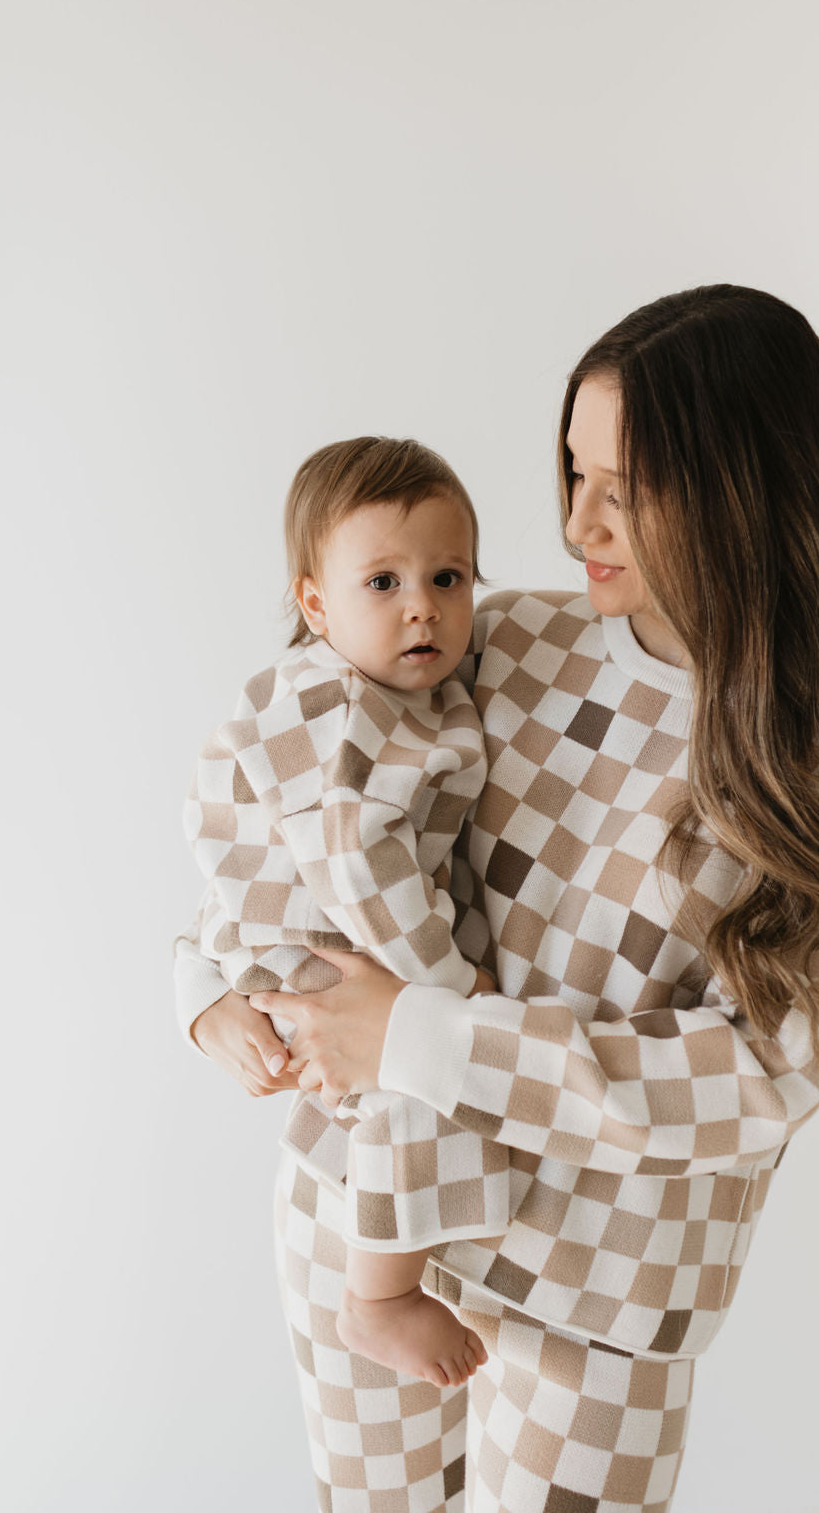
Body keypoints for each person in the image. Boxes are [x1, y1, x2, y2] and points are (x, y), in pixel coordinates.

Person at [177, 284, 819, 1513]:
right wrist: (206, 982)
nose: (578, 518)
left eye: (624, 483)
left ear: (743, 486)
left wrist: (422, 1036)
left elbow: (757, 1077)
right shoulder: (501, 641)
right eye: (573, 469)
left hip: (604, 1293)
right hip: (369, 1209)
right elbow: (289, 783)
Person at [179, 435, 519, 1388]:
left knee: (404, 1077)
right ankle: (379, 1295)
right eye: (383, 582)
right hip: (312, 936)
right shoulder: (341, 712)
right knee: (412, 1080)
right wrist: (445, 991)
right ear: (315, 603)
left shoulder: (396, 696)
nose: (424, 605)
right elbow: (355, 863)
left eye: (449, 577)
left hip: (293, 926)